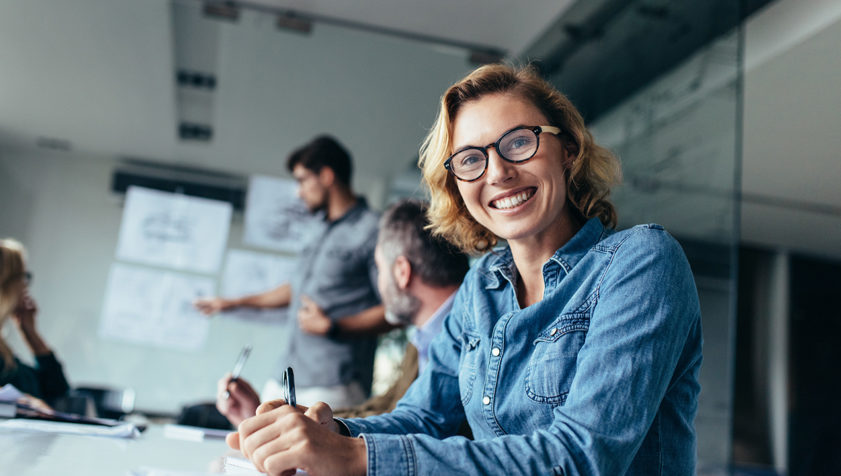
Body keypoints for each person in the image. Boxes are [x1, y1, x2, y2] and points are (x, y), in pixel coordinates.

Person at [225, 64, 704, 475]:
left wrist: (355, 456)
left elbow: (578, 459)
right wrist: (325, 431)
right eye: (471, 159)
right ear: (457, 186)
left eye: (519, 142)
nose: (497, 172)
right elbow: (424, 416)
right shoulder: (482, 285)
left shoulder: (641, 263)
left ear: (569, 150)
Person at [217, 199, 470, 426]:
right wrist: (272, 421)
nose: (379, 287)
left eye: (380, 269)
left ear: (402, 272)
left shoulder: (469, 340)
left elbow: (409, 430)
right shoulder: (423, 342)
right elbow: (386, 411)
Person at [195, 136, 391, 408]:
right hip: (285, 375)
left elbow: (396, 310)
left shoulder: (374, 230)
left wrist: (334, 327)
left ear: (326, 175)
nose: (299, 192)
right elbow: (297, 288)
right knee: (253, 445)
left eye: (302, 180)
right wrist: (233, 303)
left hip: (334, 385)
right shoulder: (316, 229)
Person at [0, 239, 70, 405]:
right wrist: (24, 401)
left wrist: (30, 332)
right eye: (22, 277)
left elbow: (56, 390)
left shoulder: (4, 351)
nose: (25, 287)